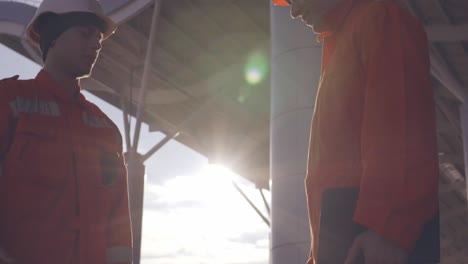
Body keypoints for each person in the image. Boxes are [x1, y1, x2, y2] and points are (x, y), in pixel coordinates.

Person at [273, 0, 439, 263]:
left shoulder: (380, 19)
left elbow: (399, 128)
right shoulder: (347, 36)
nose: (293, 12)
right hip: (357, 233)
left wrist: (388, 231)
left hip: (373, 237)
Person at [0, 0, 133, 263]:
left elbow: (117, 231)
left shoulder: (106, 129)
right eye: (85, 33)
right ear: (52, 35)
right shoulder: (8, 101)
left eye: (98, 38)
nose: (96, 44)